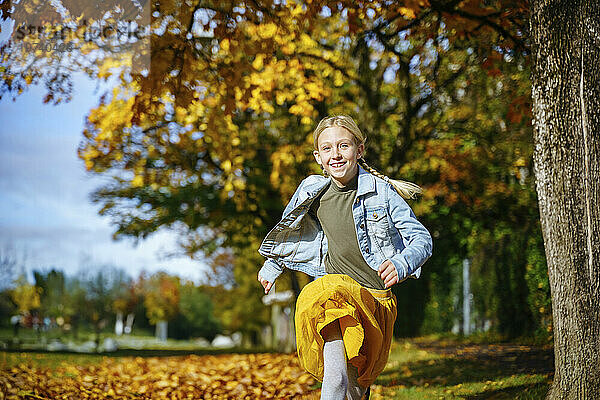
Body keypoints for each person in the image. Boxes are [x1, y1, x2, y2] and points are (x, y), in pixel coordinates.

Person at [257, 115, 433, 400]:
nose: (335, 155)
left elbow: (422, 239)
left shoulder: (382, 193)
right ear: (318, 157)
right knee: (335, 377)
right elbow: (291, 229)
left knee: (354, 387)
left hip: (373, 300)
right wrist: (273, 264)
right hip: (332, 293)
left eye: (343, 146)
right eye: (327, 149)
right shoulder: (313, 191)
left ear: (359, 150)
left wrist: (402, 263)